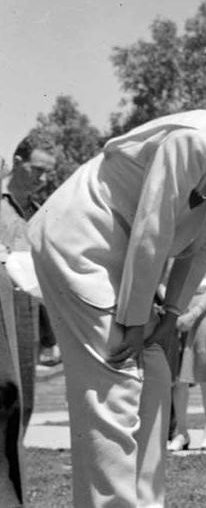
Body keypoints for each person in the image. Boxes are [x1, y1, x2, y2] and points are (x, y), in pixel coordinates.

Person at [28, 75, 206, 508]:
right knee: (113, 381)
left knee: (154, 368)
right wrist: (133, 320)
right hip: (81, 243)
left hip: (125, 252)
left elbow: (203, 243)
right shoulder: (193, 141)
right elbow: (153, 229)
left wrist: (170, 315)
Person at [0, 138, 55, 505]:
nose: (41, 179)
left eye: (47, 173)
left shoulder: (37, 211)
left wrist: (49, 336)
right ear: (16, 162)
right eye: (36, 170)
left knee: (24, 408)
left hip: (28, 321)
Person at [166, 266, 206, 452]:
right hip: (178, 311)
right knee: (178, 376)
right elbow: (161, 282)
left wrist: (195, 312)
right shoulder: (173, 250)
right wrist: (174, 306)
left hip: (205, 313)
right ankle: (181, 433)